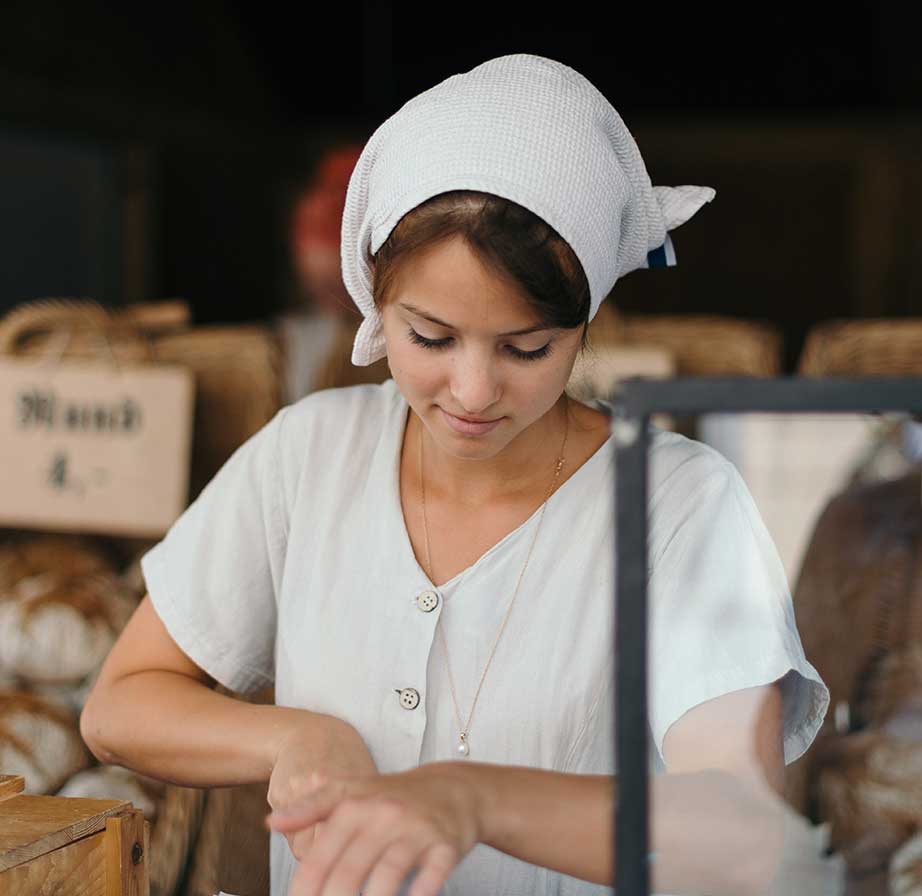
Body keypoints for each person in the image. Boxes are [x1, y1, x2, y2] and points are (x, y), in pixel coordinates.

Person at [80, 54, 835, 896]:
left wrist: (470, 800)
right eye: (431, 338)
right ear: (373, 300)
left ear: (583, 327)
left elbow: (739, 837)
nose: (473, 392)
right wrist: (292, 738)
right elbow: (119, 706)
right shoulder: (309, 458)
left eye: (527, 348)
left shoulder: (679, 505)